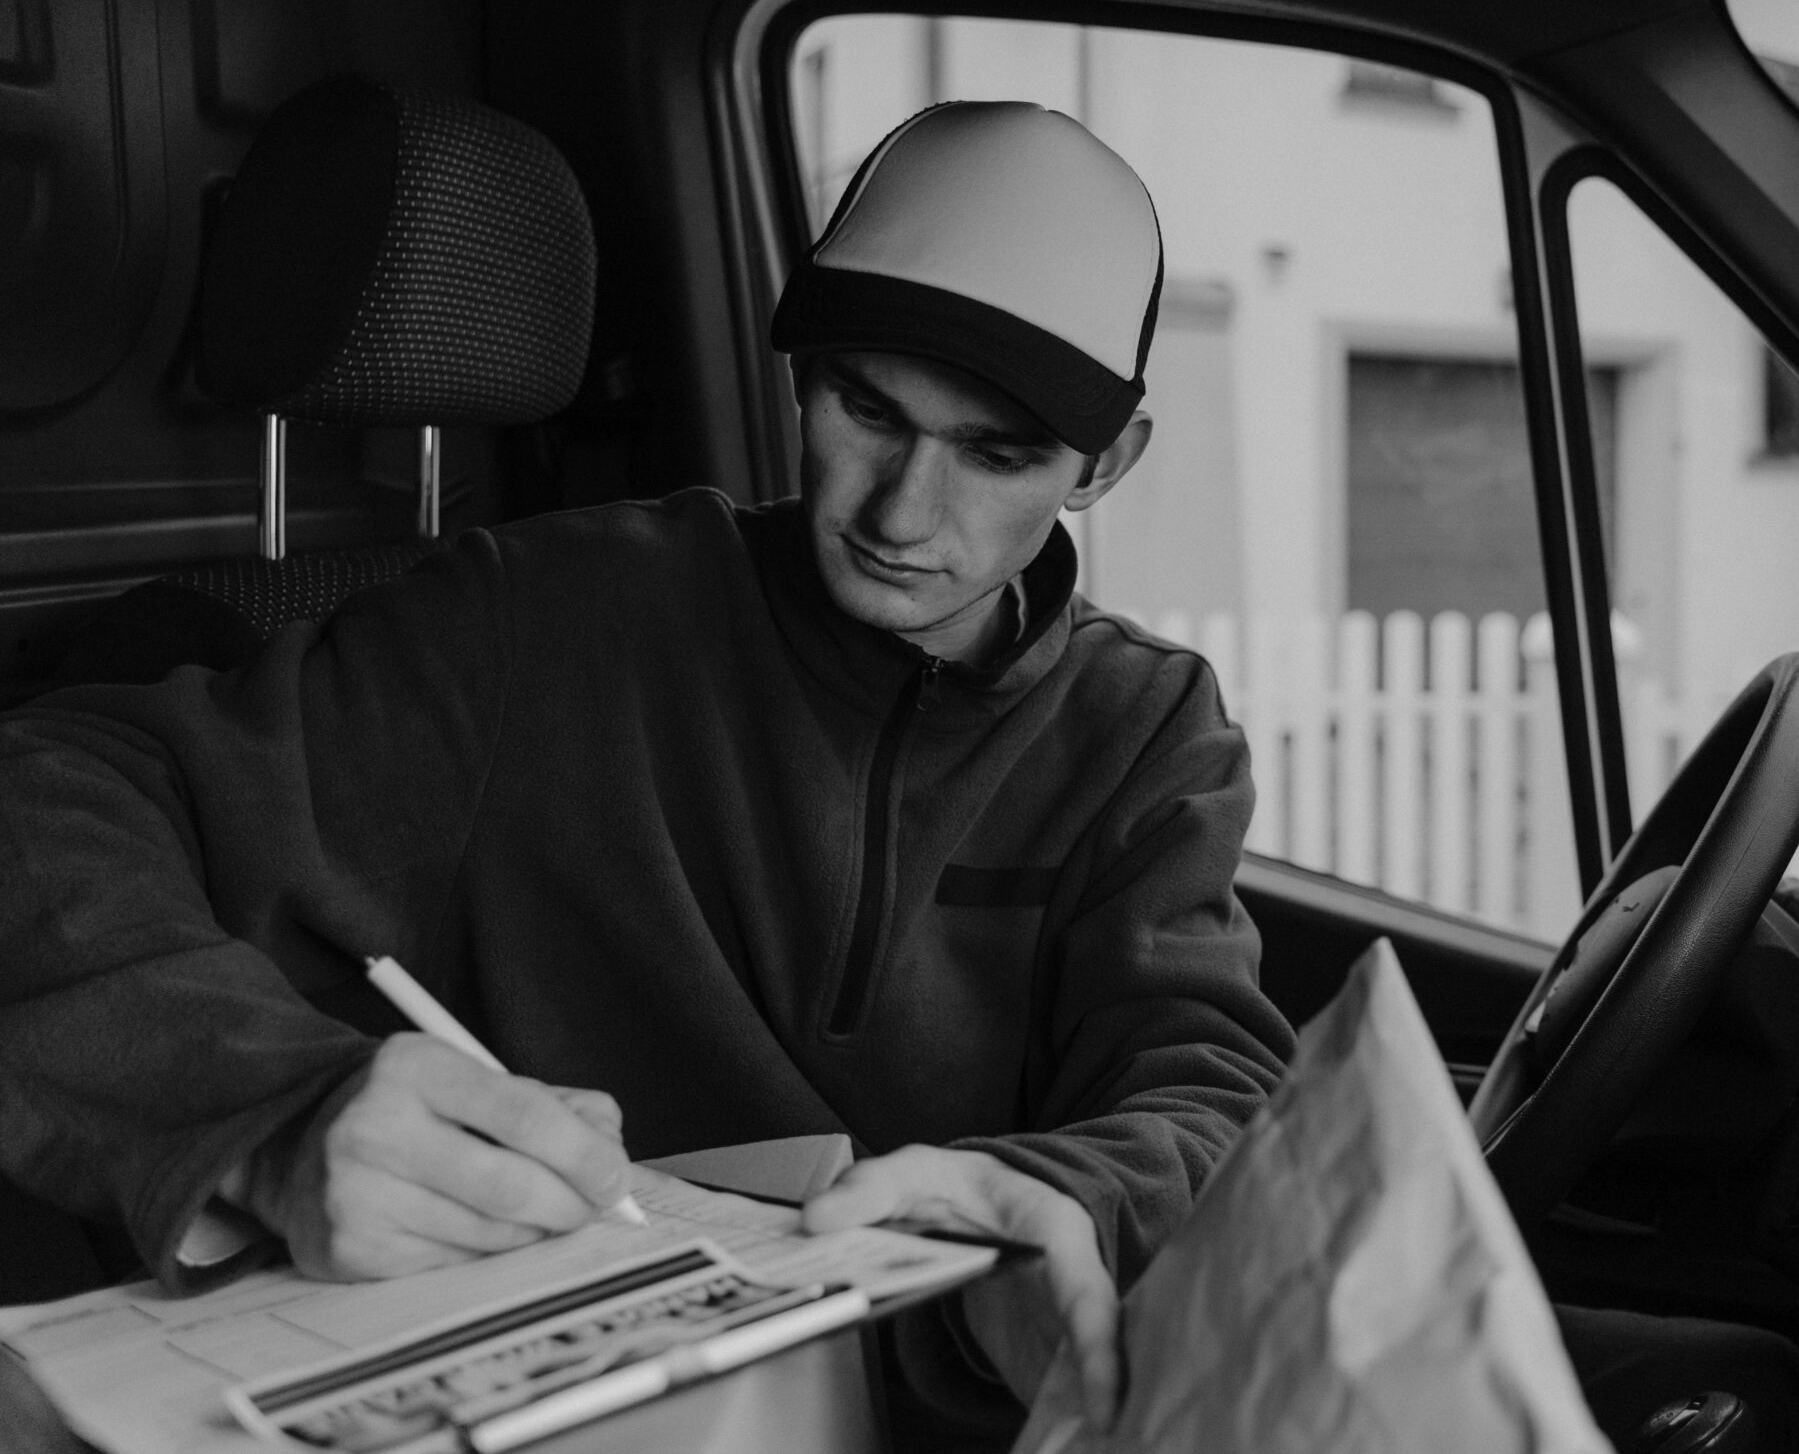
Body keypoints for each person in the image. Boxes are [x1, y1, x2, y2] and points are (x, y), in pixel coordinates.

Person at [0, 100, 1291, 1439]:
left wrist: (1072, 1199)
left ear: (1108, 464)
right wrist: (266, 1114)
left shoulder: (1146, 729)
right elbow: (41, 801)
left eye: (998, 454)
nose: (906, 514)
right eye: (867, 408)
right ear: (800, 371)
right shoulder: (553, 618)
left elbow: (1211, 1089)